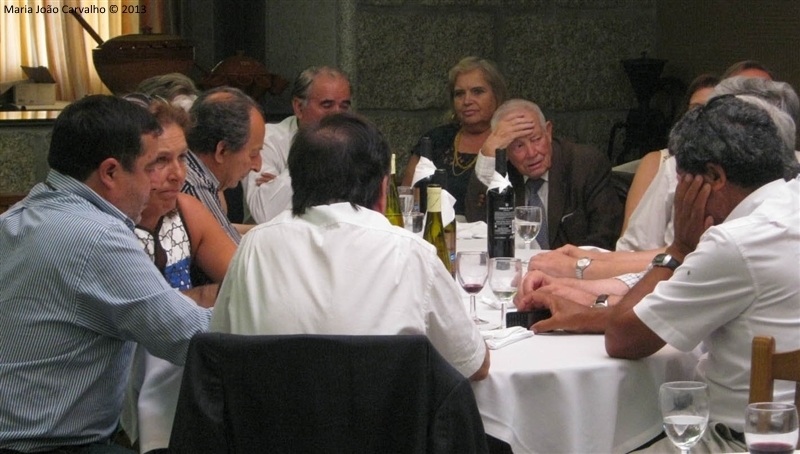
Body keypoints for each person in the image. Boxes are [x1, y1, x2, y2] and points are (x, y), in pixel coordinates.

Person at [517, 95, 800, 453]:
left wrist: (679, 249)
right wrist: (589, 314)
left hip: (732, 440)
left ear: (714, 177)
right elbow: (676, 311)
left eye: (681, 183)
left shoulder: (735, 242)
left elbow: (624, 339)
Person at [0, 95, 211, 453]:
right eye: (150, 167)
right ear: (110, 172)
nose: (155, 183)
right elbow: (191, 339)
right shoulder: (97, 236)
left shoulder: (17, 217)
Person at [212, 112, 490, 381]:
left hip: (271, 414)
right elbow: (473, 366)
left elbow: (218, 348)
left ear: (295, 182)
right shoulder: (411, 255)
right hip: (382, 415)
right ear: (383, 188)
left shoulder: (254, 247)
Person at [521, 76, 800, 289]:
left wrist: (583, 270)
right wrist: (590, 264)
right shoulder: (676, 167)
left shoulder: (746, 233)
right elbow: (637, 248)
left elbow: (631, 329)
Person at [120, 100, 236, 454]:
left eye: (183, 158)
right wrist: (199, 296)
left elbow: (244, 283)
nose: (177, 174)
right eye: (160, 161)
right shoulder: (110, 229)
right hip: (121, 382)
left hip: (184, 362)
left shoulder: (186, 211)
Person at [464, 98, 623, 251]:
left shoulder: (585, 164)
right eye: (518, 146)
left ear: (548, 131)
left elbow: (604, 237)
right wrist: (487, 155)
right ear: (505, 150)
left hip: (570, 266)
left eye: (536, 139)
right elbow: (477, 227)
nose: (532, 153)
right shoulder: (504, 172)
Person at [401, 56, 508, 216]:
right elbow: (407, 199)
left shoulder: (509, 141)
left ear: (497, 96)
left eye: (477, 92)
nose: (467, 101)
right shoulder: (435, 140)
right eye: (459, 94)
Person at [244, 66, 352, 224]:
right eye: (327, 105)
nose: (337, 115)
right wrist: (312, 159)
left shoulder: (356, 143)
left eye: (344, 106)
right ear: (299, 107)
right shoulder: (266, 139)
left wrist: (283, 185)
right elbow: (265, 213)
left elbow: (363, 211)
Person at [619, 73, 720, 234]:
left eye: (712, 110)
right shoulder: (663, 164)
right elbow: (632, 239)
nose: (702, 118)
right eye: (696, 110)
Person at [182, 86, 266, 243]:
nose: (258, 166)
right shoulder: (194, 185)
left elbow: (223, 230)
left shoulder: (197, 174)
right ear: (222, 151)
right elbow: (232, 254)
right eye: (253, 154)